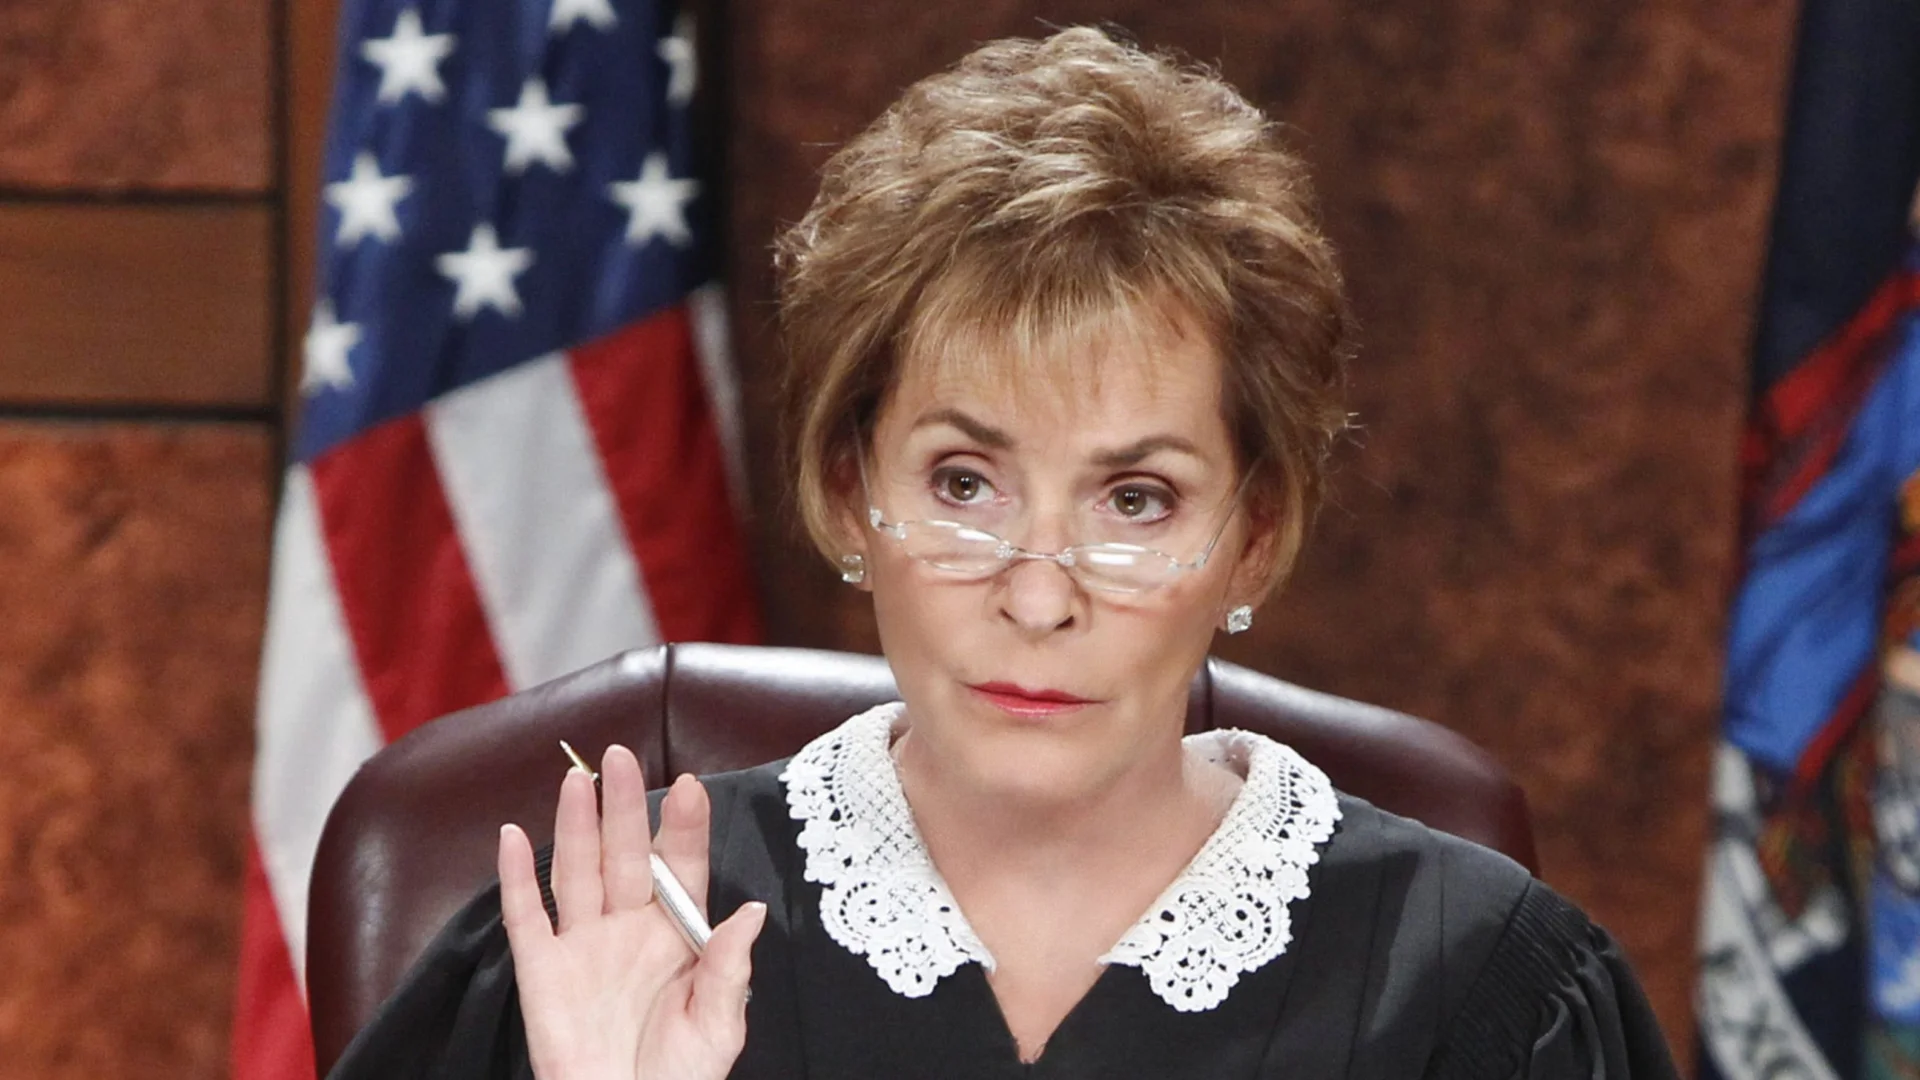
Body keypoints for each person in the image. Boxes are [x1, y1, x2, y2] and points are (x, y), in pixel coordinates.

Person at [326, 27, 1680, 1079]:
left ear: (1255, 539)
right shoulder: (599, 944)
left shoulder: (1487, 994)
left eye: (1136, 499)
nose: (1038, 594)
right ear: (850, 494)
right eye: (965, 483)